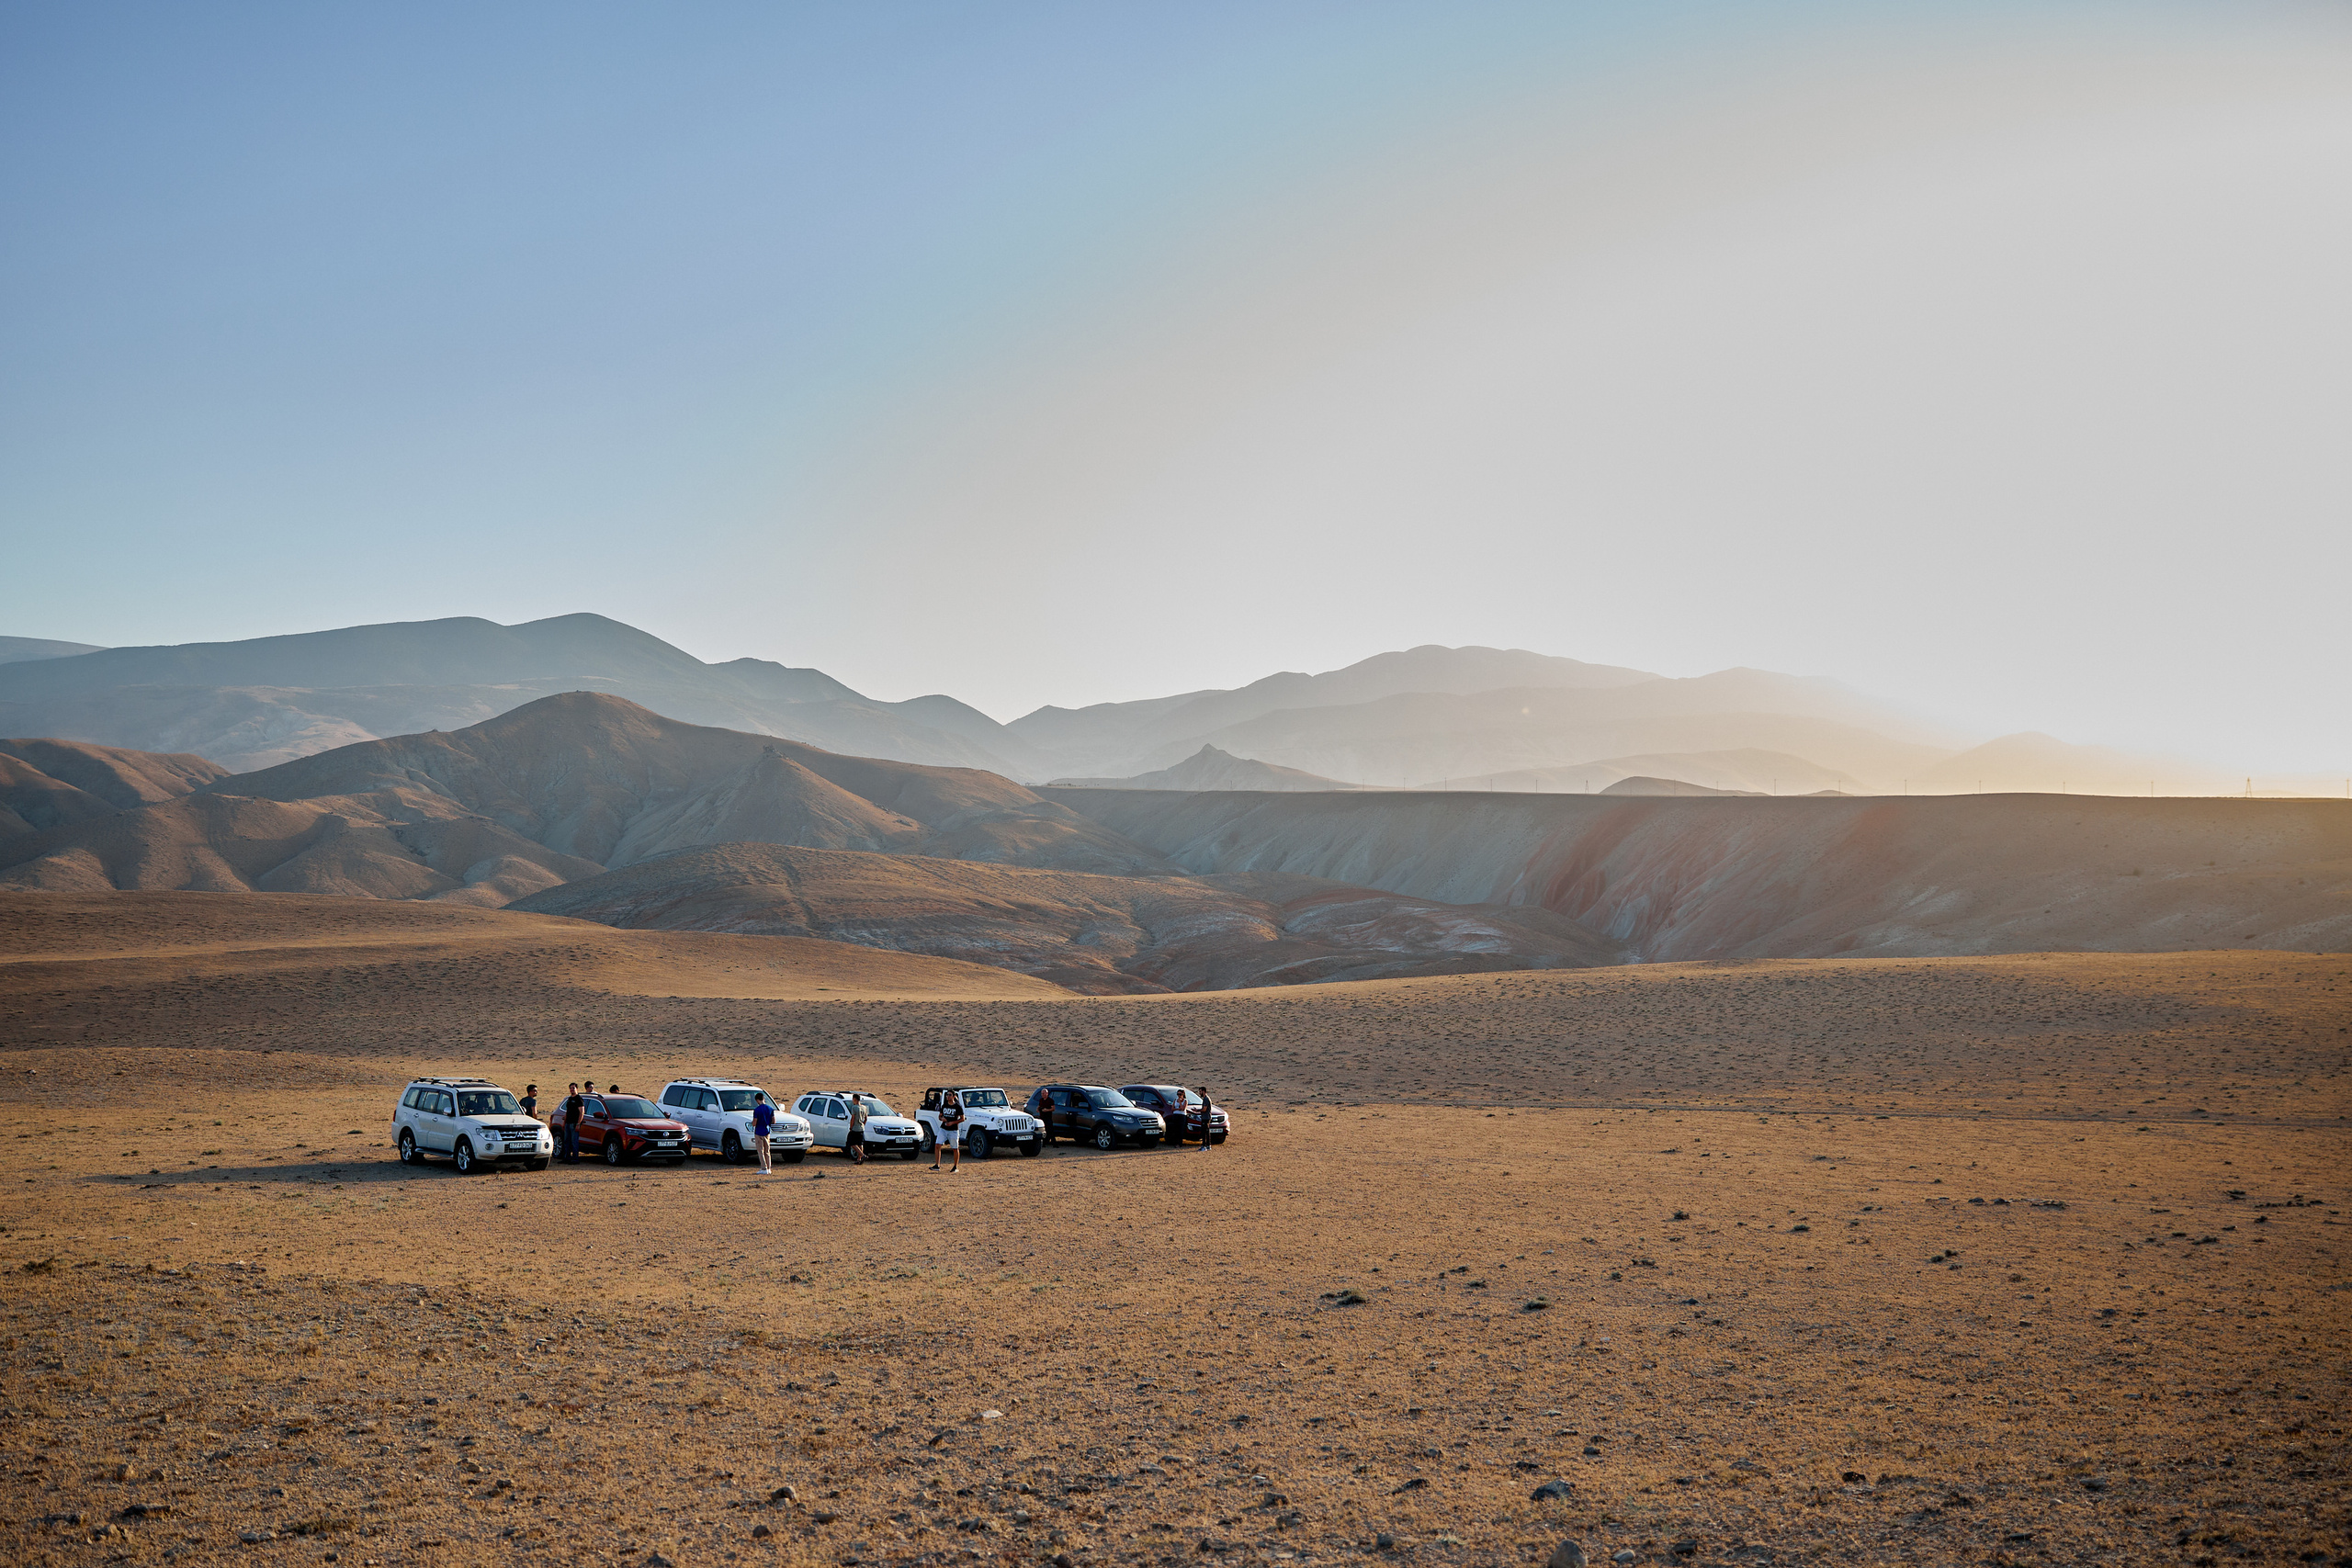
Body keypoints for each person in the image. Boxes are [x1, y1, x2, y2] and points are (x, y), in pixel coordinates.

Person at [930, 1089, 964, 1172]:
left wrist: (952, 1123)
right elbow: (940, 1116)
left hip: (953, 1130)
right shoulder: (944, 1105)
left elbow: (962, 1118)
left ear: (954, 1096)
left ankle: (955, 1166)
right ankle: (937, 1165)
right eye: (947, 1095)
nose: (947, 1096)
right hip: (943, 1129)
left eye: (949, 1095)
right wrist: (942, 1119)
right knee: (937, 1145)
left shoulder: (957, 1107)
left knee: (955, 1148)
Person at [752, 1091, 776, 1176]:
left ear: (757, 1100)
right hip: (767, 1131)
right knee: (767, 1150)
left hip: (759, 1131)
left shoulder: (757, 1110)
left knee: (760, 1151)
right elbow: (774, 1121)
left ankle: (763, 1167)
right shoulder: (770, 1109)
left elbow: (755, 1122)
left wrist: (752, 1124)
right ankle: (769, 1168)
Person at [560, 1082, 585, 1163]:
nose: (572, 1089)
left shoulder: (579, 1099)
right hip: (568, 1123)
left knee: (574, 1142)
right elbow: (567, 1111)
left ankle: (575, 1158)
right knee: (567, 1141)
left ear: (576, 1089)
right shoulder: (570, 1099)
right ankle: (567, 1157)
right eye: (570, 1088)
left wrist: (578, 1123)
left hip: (574, 1124)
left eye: (573, 1088)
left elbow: (582, 1112)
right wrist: (564, 1123)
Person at [847, 1093, 869, 1166]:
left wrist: (851, 1127)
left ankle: (862, 1155)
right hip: (861, 1128)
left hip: (855, 1128)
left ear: (855, 1099)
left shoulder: (854, 1108)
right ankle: (859, 1159)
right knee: (860, 1143)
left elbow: (853, 1118)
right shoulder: (864, 1107)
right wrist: (863, 1124)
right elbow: (866, 1118)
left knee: (852, 1143)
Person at [1196, 1086, 1214, 1152]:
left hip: (1205, 1118)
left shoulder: (1206, 1099)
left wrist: (1197, 1110)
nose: (1199, 1093)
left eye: (1200, 1092)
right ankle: (1208, 1145)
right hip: (1207, 1117)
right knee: (1207, 1131)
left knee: (1204, 1132)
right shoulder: (1206, 1099)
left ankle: (1204, 1146)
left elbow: (1204, 1109)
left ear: (1203, 1091)